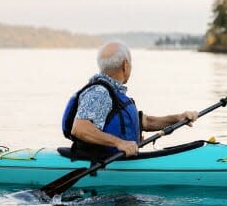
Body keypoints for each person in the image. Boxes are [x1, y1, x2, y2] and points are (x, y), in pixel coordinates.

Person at [62, 41, 198, 159]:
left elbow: (146, 122)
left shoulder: (112, 91)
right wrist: (119, 143)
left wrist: (179, 118)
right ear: (125, 65)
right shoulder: (99, 92)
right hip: (101, 162)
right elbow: (80, 128)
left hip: (120, 160)